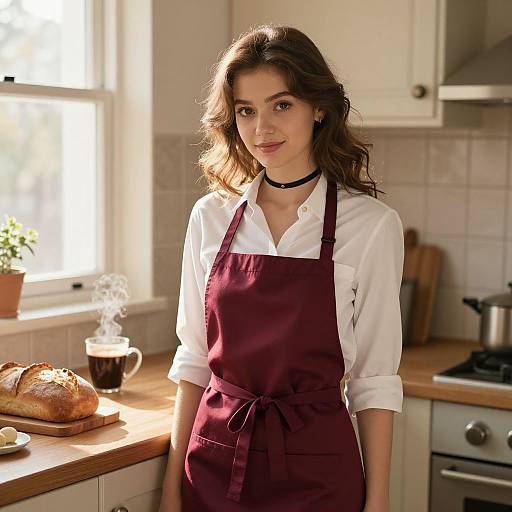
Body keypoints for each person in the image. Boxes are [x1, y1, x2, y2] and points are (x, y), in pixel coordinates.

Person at [159, 24, 404, 512]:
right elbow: (194, 360)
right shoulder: (211, 217)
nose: (262, 129)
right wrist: (171, 493)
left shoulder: (371, 226)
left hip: (319, 471)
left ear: (319, 108)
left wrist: (376, 503)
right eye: (246, 110)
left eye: (282, 105)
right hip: (214, 464)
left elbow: (374, 380)